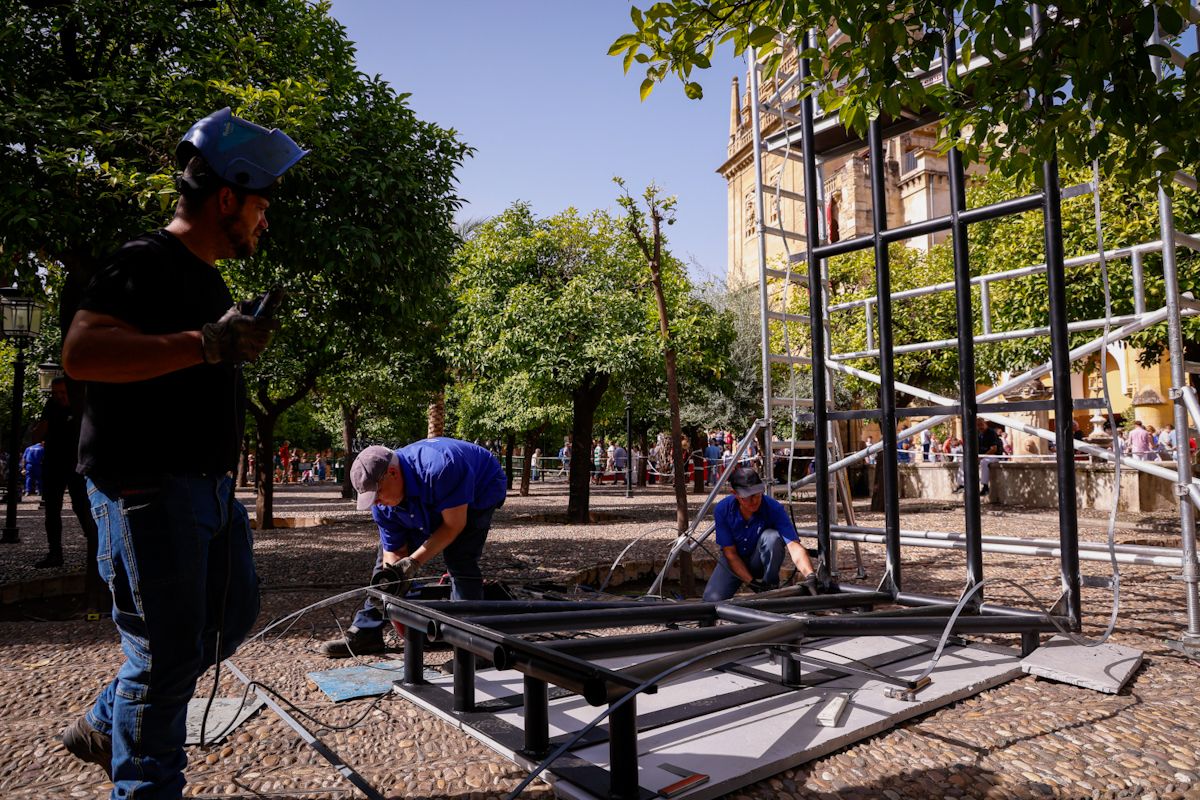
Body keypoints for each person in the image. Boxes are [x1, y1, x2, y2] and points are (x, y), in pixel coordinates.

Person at [58, 107, 306, 796]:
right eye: (261, 205)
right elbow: (80, 354)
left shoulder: (209, 277)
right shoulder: (144, 261)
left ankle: (107, 720)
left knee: (231, 617)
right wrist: (204, 344)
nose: (265, 220)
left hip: (208, 491)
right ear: (226, 197)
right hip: (148, 489)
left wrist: (225, 339)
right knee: (166, 654)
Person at [320, 438, 507, 657]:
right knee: (385, 571)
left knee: (460, 558)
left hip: (480, 487)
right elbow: (394, 551)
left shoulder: (440, 468)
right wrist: (394, 580)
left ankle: (473, 647)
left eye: (378, 493)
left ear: (392, 473)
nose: (377, 501)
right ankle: (367, 631)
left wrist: (414, 562)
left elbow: (453, 525)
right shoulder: (381, 505)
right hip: (430, 490)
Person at [702, 466, 818, 602]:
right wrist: (752, 583)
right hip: (734, 561)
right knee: (710, 601)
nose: (755, 501)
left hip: (760, 560)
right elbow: (730, 554)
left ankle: (770, 586)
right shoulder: (723, 509)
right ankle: (707, 621)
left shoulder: (774, 508)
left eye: (757, 494)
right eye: (748, 497)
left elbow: (794, 546)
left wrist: (810, 576)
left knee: (772, 538)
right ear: (736, 494)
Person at [31, 378, 100, 595]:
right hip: (53, 464)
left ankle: (93, 550)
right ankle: (55, 553)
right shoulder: (50, 407)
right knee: (52, 510)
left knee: (82, 507)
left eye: (62, 392)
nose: (59, 397)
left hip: (77, 465)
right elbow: (36, 436)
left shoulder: (83, 405)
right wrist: (46, 420)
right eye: (55, 393)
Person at [954, 419, 1003, 496]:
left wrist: (981, 457)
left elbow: (994, 449)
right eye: (978, 425)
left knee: (984, 462)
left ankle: (985, 486)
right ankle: (962, 485)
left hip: (993, 455)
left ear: (985, 423)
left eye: (981, 424)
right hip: (981, 456)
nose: (980, 427)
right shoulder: (977, 433)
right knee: (965, 461)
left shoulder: (991, 433)